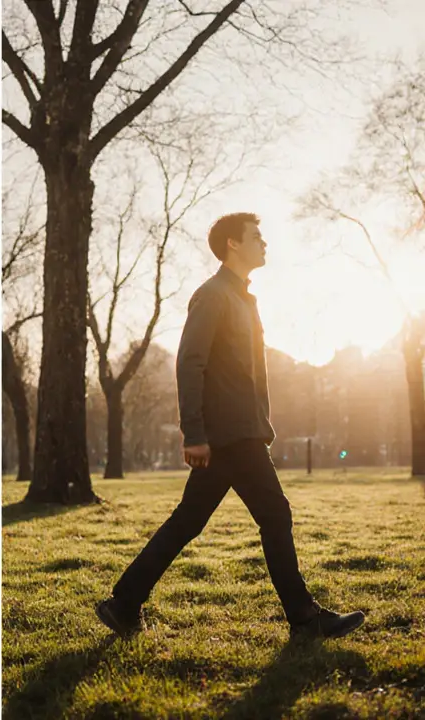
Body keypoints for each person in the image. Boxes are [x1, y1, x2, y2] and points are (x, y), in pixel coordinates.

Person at [95, 213, 365, 640]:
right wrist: (195, 432)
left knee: (188, 521)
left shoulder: (242, 299)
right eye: (257, 236)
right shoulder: (213, 296)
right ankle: (304, 618)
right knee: (275, 515)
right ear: (233, 245)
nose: (264, 243)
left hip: (241, 432)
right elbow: (190, 363)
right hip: (229, 436)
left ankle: (124, 602)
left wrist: (259, 427)